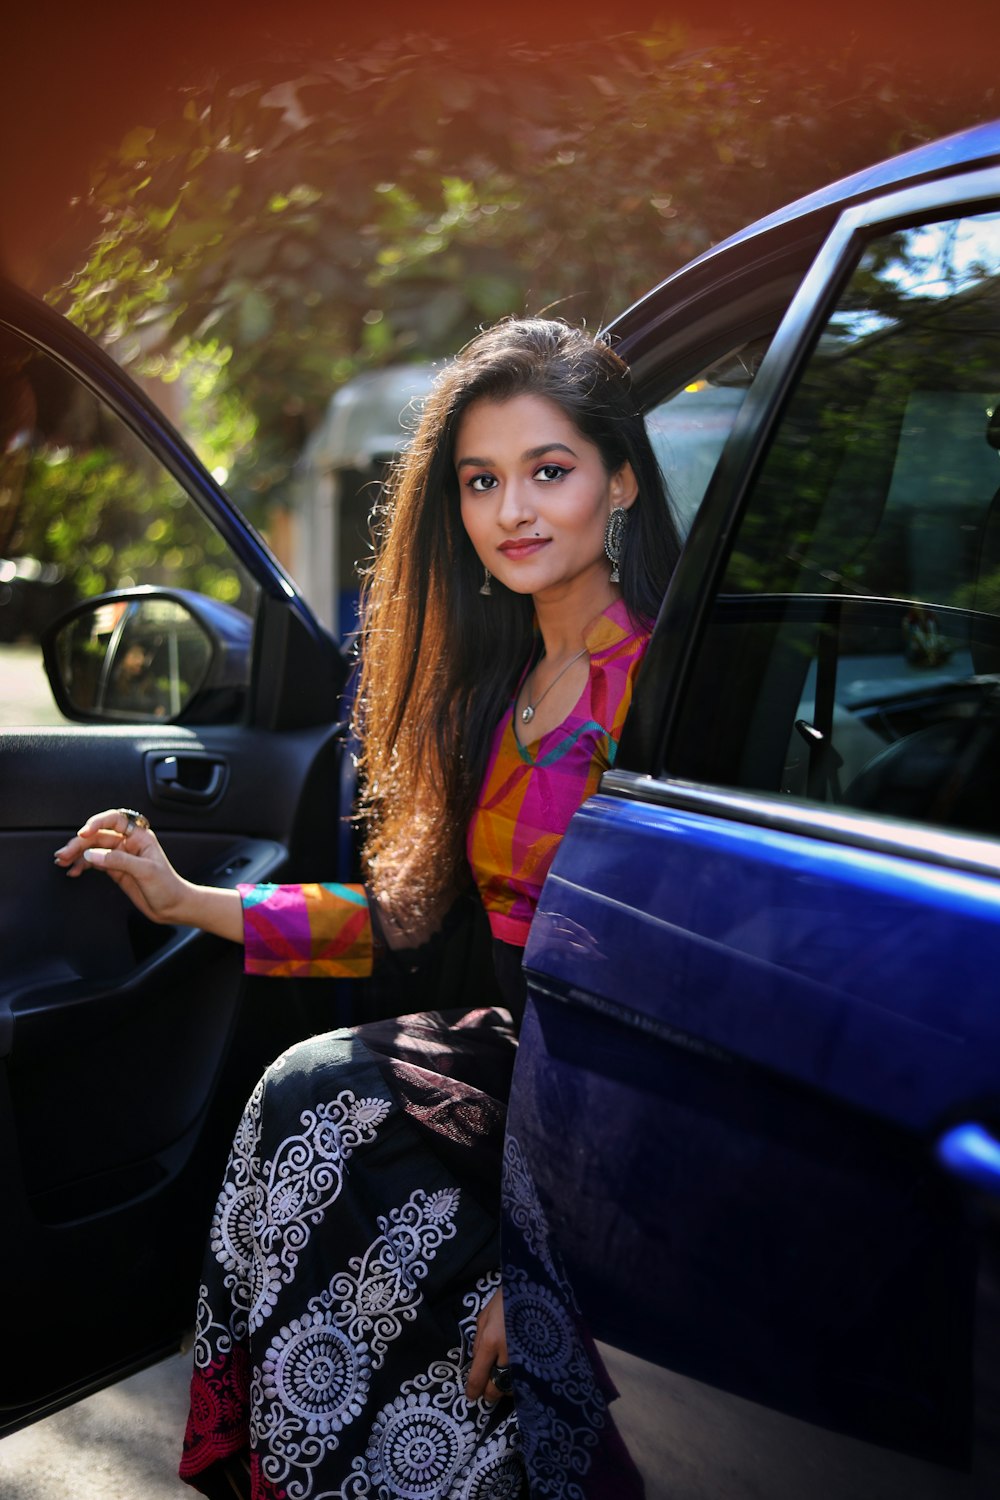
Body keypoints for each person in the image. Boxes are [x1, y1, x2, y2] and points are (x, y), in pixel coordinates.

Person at [54, 318, 680, 1500]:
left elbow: (653, 1004)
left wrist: (550, 1275)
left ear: (623, 480)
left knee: (337, 1132)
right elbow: (397, 913)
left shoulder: (651, 686)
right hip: (523, 1066)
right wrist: (186, 898)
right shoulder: (506, 691)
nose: (513, 511)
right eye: (481, 481)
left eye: (551, 471)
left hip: (606, 1104)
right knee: (302, 1105)